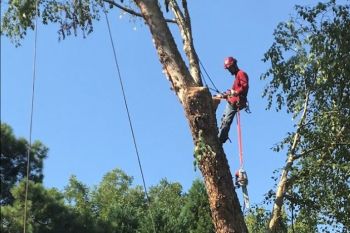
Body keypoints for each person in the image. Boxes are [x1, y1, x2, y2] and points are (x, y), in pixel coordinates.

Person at [217, 56, 249, 144]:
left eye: (230, 68)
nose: (229, 70)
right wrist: (224, 95)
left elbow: (244, 86)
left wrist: (236, 92)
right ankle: (220, 136)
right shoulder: (236, 76)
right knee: (224, 119)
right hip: (232, 101)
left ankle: (220, 139)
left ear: (234, 65)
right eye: (228, 69)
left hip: (236, 101)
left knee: (226, 121)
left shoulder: (241, 73)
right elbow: (233, 91)